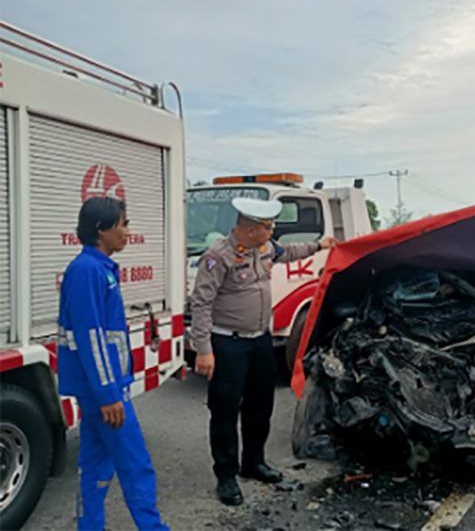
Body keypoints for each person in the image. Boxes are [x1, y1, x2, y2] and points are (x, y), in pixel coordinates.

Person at [189, 197, 337, 506]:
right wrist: (203, 349)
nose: (272, 232)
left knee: (260, 406)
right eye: (267, 227)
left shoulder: (266, 247)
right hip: (227, 343)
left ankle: (253, 463)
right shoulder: (218, 258)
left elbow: (290, 252)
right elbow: (201, 303)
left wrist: (320, 245)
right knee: (225, 411)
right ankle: (226, 476)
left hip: (260, 342)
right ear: (250, 228)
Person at [58, 197, 168, 531]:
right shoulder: (87, 271)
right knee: (135, 465)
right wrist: (108, 395)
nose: (127, 231)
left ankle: (89, 525)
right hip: (102, 391)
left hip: (102, 387)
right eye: (123, 224)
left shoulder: (98, 268)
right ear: (100, 229)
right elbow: (91, 337)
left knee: (95, 465)